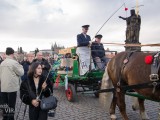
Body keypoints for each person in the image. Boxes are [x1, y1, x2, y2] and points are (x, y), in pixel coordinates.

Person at [0, 47, 24, 120]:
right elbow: (21, 73)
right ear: (12, 54)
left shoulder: (2, 63)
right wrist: (21, 66)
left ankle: (5, 118)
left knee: (5, 105)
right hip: (12, 88)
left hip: (3, 87)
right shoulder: (14, 62)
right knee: (11, 105)